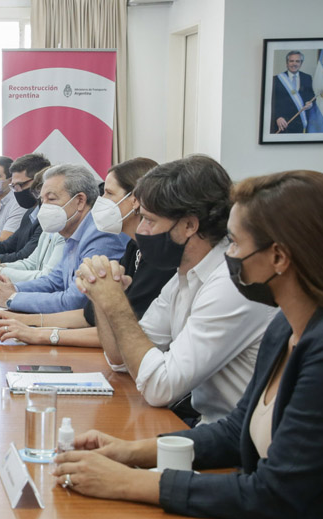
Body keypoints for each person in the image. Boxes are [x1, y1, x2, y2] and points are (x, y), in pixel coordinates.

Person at [53, 170, 323, 519]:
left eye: (235, 243)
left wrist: (127, 482)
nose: (227, 255)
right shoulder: (286, 325)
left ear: (279, 256)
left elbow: (273, 492)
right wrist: (129, 452)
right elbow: (237, 431)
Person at [73, 156, 274, 424]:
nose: (141, 230)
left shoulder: (229, 283)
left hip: (235, 441)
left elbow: (160, 387)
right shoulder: (185, 274)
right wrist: (102, 293)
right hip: (209, 429)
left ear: (190, 225)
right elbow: (122, 360)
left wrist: (115, 303)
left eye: (149, 220)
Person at [0, 157, 171, 348]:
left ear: (135, 201)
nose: (100, 201)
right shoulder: (133, 247)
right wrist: (18, 312)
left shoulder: (106, 235)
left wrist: (36, 330)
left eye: (108, 193)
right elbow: (87, 310)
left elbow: (82, 305)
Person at [0, 164, 127, 315]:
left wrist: (11, 298)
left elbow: (75, 302)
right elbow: (54, 281)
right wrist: (13, 288)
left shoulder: (100, 234)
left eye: (51, 199)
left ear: (80, 201)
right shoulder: (71, 231)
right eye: (42, 201)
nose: (44, 208)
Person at [271, 50, 316, 134]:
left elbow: (311, 96)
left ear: (301, 63)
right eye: (291, 61)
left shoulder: (307, 77)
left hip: (300, 122)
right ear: (287, 63)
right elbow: (271, 102)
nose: (294, 64)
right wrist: (277, 117)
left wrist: (310, 103)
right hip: (283, 122)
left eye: (297, 61)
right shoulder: (276, 79)